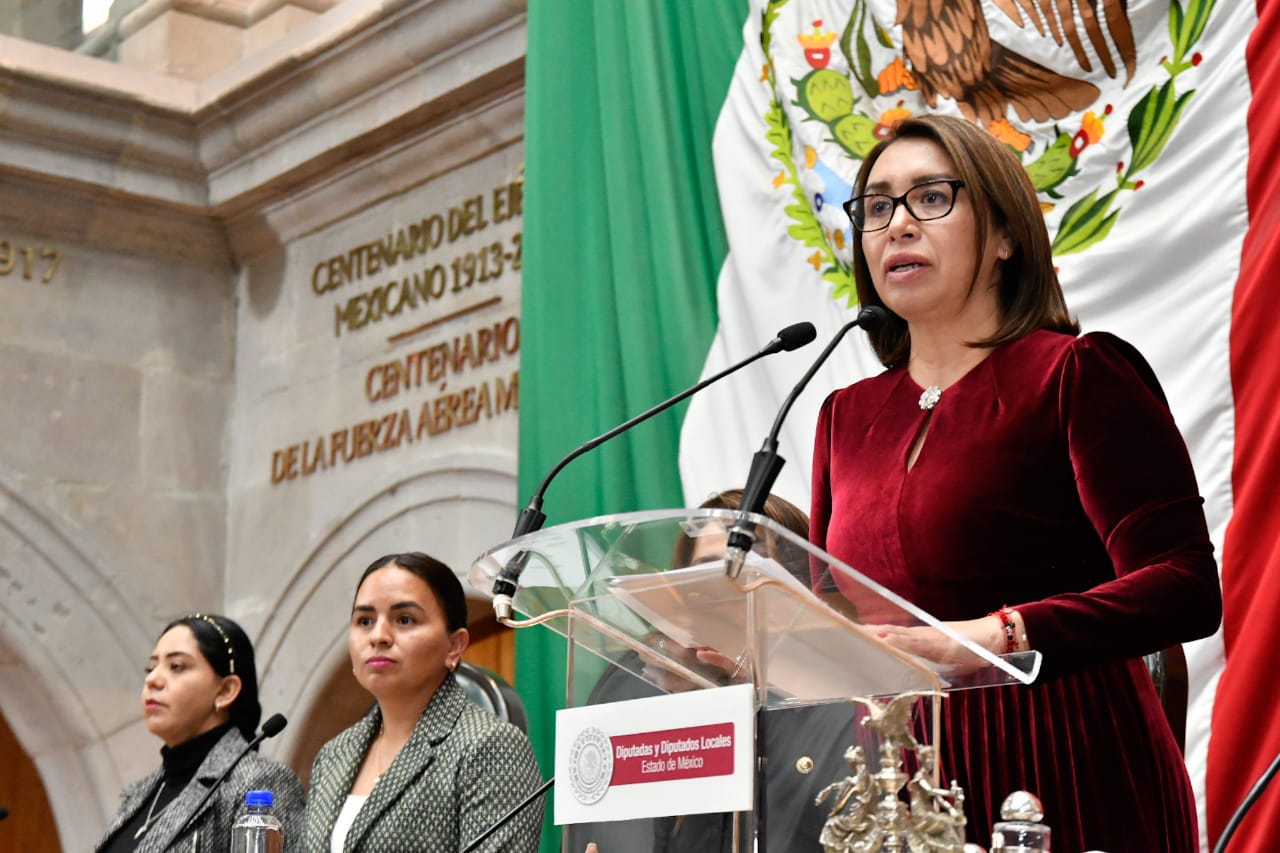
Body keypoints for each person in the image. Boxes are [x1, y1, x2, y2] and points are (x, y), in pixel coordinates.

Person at [811, 113, 1221, 851]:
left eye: (930, 197)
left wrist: (997, 636)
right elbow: (830, 605)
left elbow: (1184, 585)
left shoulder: (1074, 374)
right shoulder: (845, 416)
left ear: (1004, 235)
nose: (897, 224)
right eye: (876, 206)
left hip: (1063, 759)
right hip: (899, 784)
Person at [571, 490, 860, 853]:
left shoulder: (851, 712)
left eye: (745, 570)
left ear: (800, 588)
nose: (723, 590)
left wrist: (755, 687)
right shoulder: (668, 718)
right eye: (704, 574)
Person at [300, 552, 542, 852]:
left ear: (454, 646)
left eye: (404, 619)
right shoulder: (334, 754)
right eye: (365, 621)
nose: (378, 636)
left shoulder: (491, 747)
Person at [96, 613, 305, 852]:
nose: (152, 679)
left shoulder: (259, 783)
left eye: (176, 666)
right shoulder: (137, 795)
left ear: (225, 691)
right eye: (150, 668)